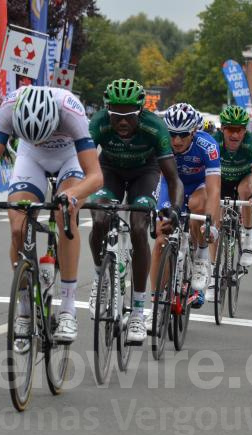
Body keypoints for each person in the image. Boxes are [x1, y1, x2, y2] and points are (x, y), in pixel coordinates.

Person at [0, 86, 104, 344]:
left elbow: (96, 176)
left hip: (70, 158)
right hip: (30, 158)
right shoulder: (9, 107)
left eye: (44, 136)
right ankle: (23, 308)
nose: (41, 141)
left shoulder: (70, 110)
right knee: (17, 225)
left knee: (63, 214)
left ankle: (67, 308)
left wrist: (73, 194)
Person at [87, 79, 182, 343]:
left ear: (140, 111)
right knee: (100, 218)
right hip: (110, 171)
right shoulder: (98, 123)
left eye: (129, 115)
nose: (123, 122)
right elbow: (81, 163)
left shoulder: (155, 127)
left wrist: (173, 208)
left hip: (145, 172)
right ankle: (100, 280)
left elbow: (173, 178)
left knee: (140, 228)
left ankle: (139, 312)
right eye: (117, 115)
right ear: (109, 111)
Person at [153, 103, 220, 309]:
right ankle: (156, 304)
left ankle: (200, 256)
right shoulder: (161, 143)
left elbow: (215, 190)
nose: (177, 140)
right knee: (160, 238)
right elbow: (152, 178)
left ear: (193, 131)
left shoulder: (207, 146)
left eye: (182, 135)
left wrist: (210, 224)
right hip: (170, 185)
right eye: (172, 134)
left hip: (198, 185)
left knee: (196, 206)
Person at [213, 105, 252, 268]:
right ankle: (215, 270)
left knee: (247, 190)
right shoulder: (214, 141)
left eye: (240, 130)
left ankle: (248, 241)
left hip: (244, 178)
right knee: (217, 222)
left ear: (245, 130)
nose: (235, 134)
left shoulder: (251, 142)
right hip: (222, 179)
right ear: (222, 129)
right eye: (230, 130)